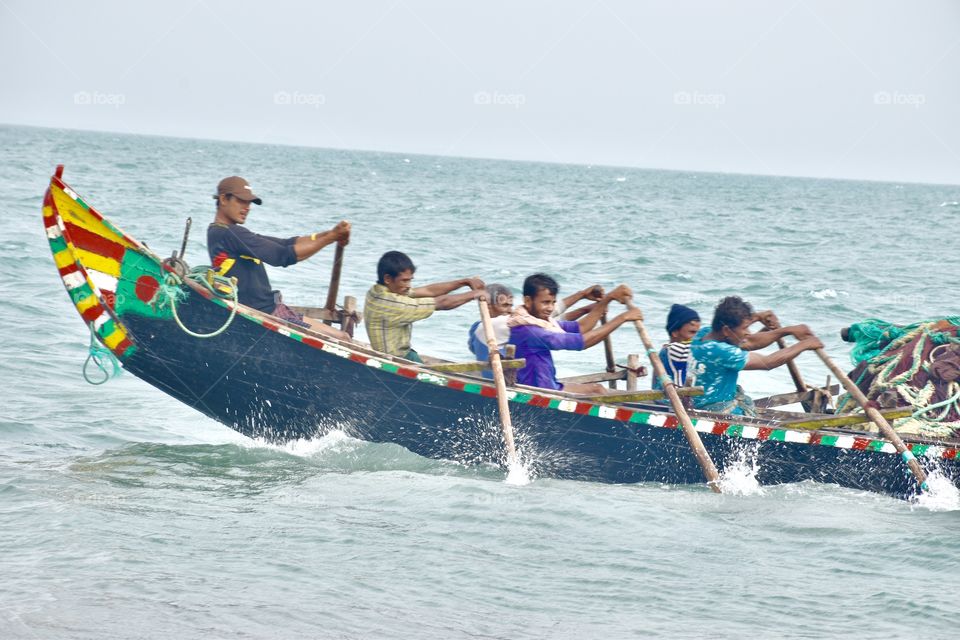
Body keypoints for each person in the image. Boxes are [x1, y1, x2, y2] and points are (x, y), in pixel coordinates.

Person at [206, 176, 351, 339]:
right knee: (342, 338)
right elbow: (282, 256)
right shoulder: (230, 233)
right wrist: (331, 238)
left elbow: (286, 243)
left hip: (275, 312)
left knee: (340, 337)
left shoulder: (221, 232)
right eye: (241, 201)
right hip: (273, 315)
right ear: (224, 199)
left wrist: (331, 234)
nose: (247, 208)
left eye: (249, 203)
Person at [508, 273, 642, 395]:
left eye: (553, 302)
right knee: (598, 391)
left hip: (549, 385)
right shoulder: (530, 330)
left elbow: (581, 327)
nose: (550, 308)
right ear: (527, 301)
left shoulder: (540, 322)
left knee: (598, 389)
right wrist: (622, 318)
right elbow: (583, 342)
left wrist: (607, 300)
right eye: (545, 303)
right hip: (539, 392)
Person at [690, 296, 823, 415]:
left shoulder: (703, 334)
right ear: (726, 330)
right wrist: (805, 344)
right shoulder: (721, 351)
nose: (748, 332)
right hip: (718, 413)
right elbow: (767, 362)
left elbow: (749, 341)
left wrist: (762, 318)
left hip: (698, 406)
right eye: (745, 328)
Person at [364, 251, 485, 362]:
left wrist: (463, 282)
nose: (408, 285)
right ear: (387, 279)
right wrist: (475, 294)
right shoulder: (390, 303)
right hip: (394, 361)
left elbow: (428, 291)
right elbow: (441, 303)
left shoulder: (378, 291)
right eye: (404, 281)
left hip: (405, 354)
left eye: (410, 280)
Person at [467, 283, 514, 378]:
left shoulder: (475, 326)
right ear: (488, 306)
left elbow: (472, 348)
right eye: (505, 306)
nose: (510, 311)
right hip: (500, 381)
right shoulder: (506, 325)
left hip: (487, 377)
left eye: (510, 306)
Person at [653, 304, 701, 389]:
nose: (696, 338)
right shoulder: (672, 349)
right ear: (675, 332)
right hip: (668, 400)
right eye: (692, 333)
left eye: (697, 333)